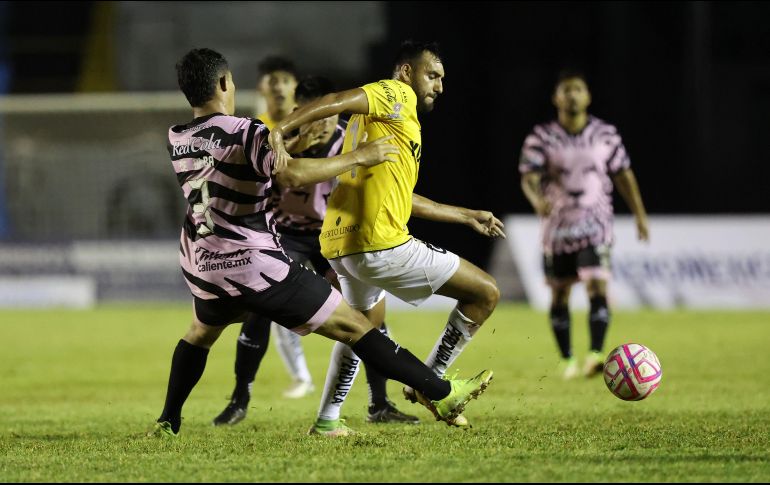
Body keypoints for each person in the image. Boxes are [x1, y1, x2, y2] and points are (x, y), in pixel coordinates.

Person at [149, 47, 493, 438]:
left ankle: (167, 422)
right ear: (225, 83)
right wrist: (359, 156)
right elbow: (290, 176)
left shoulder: (178, 139)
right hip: (256, 263)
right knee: (356, 327)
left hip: (204, 266)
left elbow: (239, 165)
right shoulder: (247, 130)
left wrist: (290, 142)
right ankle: (442, 392)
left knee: (199, 334)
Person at [269, 40, 504, 436]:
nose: (440, 87)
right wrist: (281, 129)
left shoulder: (383, 125)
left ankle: (327, 419)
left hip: (342, 245)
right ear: (407, 72)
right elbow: (337, 98)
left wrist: (465, 215)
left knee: (359, 328)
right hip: (380, 244)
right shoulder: (396, 94)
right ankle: (433, 383)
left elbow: (403, 198)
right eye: (433, 75)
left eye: (443, 79)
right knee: (485, 292)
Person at [212, 76, 419, 426]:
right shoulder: (278, 141)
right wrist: (294, 144)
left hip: (330, 235)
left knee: (366, 314)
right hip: (285, 235)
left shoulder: (348, 140)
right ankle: (239, 399)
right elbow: (272, 180)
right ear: (298, 113)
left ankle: (379, 403)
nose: (323, 125)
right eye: (314, 116)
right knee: (260, 309)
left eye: (326, 116)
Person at [519, 69, 650, 380]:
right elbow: (529, 177)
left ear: (588, 96)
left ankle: (595, 354)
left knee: (597, 285)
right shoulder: (542, 136)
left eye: (578, 89)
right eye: (567, 90)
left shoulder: (605, 134)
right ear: (556, 97)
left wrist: (640, 215)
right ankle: (567, 359)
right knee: (560, 295)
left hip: (596, 226)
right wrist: (537, 200)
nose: (573, 95)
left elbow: (623, 175)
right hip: (557, 229)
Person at [255, 56, 298, 130]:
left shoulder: (310, 124)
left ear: (296, 85)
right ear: (260, 88)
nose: (279, 87)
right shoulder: (255, 130)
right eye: (273, 81)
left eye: (286, 81)